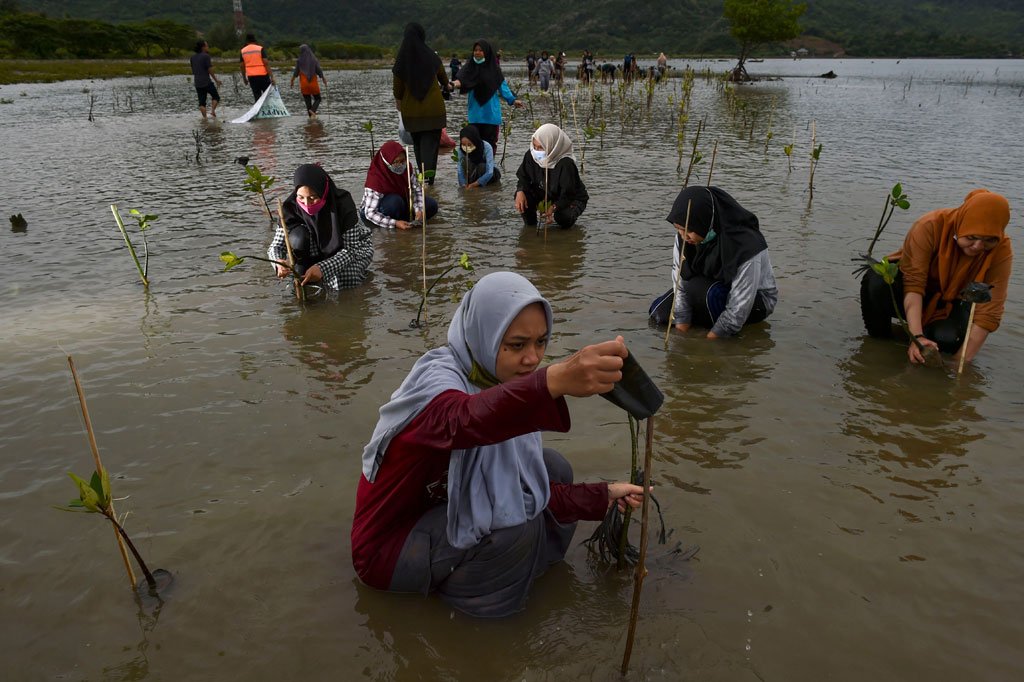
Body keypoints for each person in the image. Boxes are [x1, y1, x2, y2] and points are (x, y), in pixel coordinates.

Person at [351, 271, 647, 617]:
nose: (533, 359)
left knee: (554, 467)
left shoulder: (496, 379)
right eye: (517, 345)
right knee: (511, 527)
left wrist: (601, 495)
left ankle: (527, 579)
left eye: (541, 342)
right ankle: (483, 628)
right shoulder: (436, 384)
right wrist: (553, 380)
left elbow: (525, 488)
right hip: (390, 550)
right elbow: (462, 420)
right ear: (484, 336)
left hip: (444, 516)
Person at [860, 189, 1012, 364]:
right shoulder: (930, 225)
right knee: (876, 281)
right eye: (971, 237)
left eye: (989, 241)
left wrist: (959, 362)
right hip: (913, 292)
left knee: (947, 340)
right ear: (961, 225)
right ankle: (883, 340)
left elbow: (990, 311)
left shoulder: (1002, 249)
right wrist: (917, 337)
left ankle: (921, 334)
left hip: (951, 301)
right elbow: (914, 283)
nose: (978, 246)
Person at [657, 186, 778, 338]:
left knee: (707, 295)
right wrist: (681, 331)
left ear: (704, 223)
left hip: (754, 300)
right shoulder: (683, 238)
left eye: (689, 230)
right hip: (710, 285)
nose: (683, 236)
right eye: (679, 229)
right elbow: (680, 281)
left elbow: (740, 303)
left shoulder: (745, 245)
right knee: (660, 315)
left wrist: (711, 342)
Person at [268, 164, 373, 289]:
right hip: (312, 252)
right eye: (301, 198)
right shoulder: (289, 209)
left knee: (344, 280)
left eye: (313, 198)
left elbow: (351, 250)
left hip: (353, 252)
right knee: (298, 281)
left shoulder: (343, 206)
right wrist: (278, 262)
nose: (307, 204)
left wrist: (322, 268)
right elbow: (276, 246)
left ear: (323, 193)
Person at [392, 23, 449, 184]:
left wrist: (399, 102)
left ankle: (423, 182)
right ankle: (429, 182)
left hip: (412, 113)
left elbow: (397, 91)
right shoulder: (432, 56)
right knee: (431, 149)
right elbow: (444, 80)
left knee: (418, 147)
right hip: (434, 112)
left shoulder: (401, 60)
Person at [451, 39, 525, 151]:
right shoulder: (469, 67)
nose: (477, 52)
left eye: (481, 50)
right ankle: (476, 167)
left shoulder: (494, 69)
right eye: (475, 50)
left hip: (491, 114)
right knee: (474, 145)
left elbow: (503, 87)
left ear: (486, 51)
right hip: (475, 114)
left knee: (490, 145)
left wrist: (513, 100)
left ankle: (489, 167)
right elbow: (461, 80)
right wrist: (452, 84)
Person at [514, 123, 588, 229]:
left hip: (570, 197)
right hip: (545, 192)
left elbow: (568, 194)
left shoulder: (565, 163)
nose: (536, 151)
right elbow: (523, 177)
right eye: (534, 146)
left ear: (553, 146)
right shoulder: (531, 155)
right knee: (522, 197)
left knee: (563, 217)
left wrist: (553, 207)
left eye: (541, 148)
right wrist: (520, 191)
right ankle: (530, 227)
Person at [360, 140, 439, 230]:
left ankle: (406, 221)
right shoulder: (375, 178)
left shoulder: (407, 168)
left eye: (403, 161)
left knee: (431, 204)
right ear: (386, 162)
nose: (401, 165)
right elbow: (370, 213)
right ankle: (397, 223)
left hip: (401, 204)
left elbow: (417, 191)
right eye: (396, 162)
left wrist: (419, 210)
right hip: (376, 212)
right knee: (395, 202)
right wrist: (395, 223)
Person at [290, 44, 326, 118]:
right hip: (313, 84)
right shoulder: (314, 60)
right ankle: (312, 111)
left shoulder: (299, 61)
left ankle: (310, 119)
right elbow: (319, 70)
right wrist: (323, 78)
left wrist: (292, 81)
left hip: (304, 85)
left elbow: (295, 73)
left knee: (307, 101)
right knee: (318, 98)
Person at [190, 40, 221, 119]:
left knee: (202, 103)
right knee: (216, 97)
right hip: (206, 81)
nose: (208, 47)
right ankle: (212, 111)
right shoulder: (206, 56)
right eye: (207, 46)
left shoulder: (192, 57)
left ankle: (205, 119)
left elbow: (193, 70)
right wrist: (216, 80)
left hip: (197, 82)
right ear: (203, 47)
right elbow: (210, 69)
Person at [240, 33, 274, 102]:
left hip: (252, 76)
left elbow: (242, 66)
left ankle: (259, 111)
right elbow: (266, 63)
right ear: (255, 41)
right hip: (263, 75)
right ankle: (268, 111)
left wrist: (244, 78)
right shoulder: (260, 48)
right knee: (267, 95)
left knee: (257, 96)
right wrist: (272, 77)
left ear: (246, 42)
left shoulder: (243, 51)